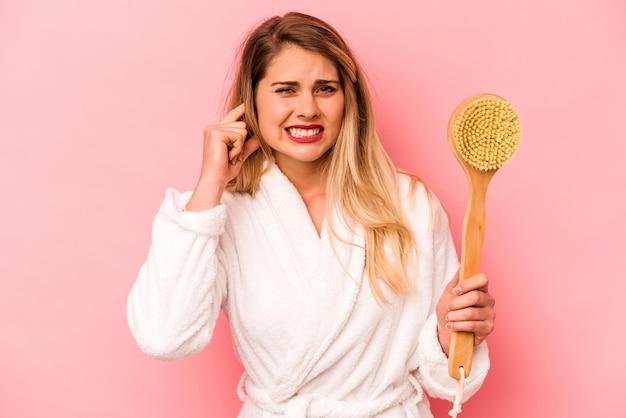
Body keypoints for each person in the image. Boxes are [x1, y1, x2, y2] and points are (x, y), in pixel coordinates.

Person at [126, 11, 495, 418]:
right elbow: (164, 336)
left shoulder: (409, 204)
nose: (307, 108)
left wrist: (450, 333)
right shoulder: (219, 211)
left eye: (325, 88)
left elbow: (446, 377)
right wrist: (210, 184)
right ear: (252, 101)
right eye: (286, 90)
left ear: (347, 99)